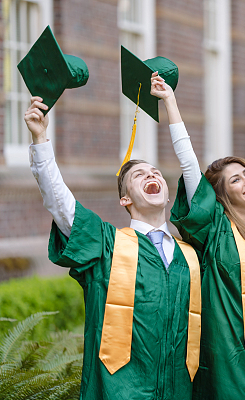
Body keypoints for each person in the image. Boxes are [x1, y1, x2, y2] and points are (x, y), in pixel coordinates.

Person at [24, 72, 200, 400]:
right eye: (139, 175)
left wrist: (170, 104)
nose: (151, 174)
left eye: (156, 172)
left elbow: (196, 180)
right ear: (125, 199)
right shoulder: (109, 246)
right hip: (119, 391)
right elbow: (62, 206)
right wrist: (40, 141)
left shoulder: (191, 257)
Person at [169, 146, 245, 398]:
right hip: (228, 363)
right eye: (236, 179)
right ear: (220, 195)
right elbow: (191, 171)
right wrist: (172, 106)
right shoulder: (214, 232)